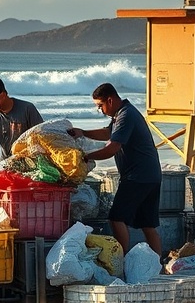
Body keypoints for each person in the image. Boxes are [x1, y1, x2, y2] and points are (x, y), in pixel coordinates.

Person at [67, 83, 162, 257]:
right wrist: (83, 132)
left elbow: (112, 148)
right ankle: (157, 263)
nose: (100, 110)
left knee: (116, 217)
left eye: (100, 106)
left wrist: (85, 157)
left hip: (137, 176)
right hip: (150, 175)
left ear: (109, 100)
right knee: (147, 224)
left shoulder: (126, 115)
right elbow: (108, 133)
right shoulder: (124, 113)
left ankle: (121, 259)